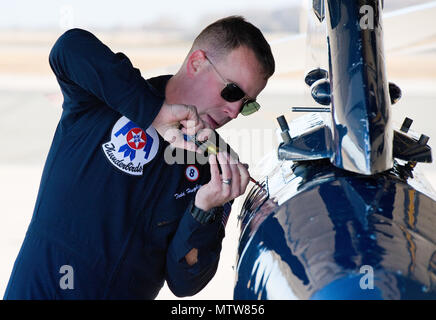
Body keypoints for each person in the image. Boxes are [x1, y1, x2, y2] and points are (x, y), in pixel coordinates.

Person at [4, 16, 275, 299]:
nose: (233, 111)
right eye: (232, 92)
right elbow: (68, 48)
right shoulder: (106, 99)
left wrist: (203, 210)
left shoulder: (215, 169)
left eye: (246, 104)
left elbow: (185, 283)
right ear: (196, 63)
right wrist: (154, 113)